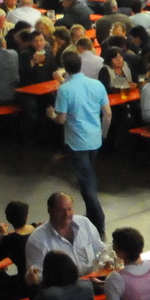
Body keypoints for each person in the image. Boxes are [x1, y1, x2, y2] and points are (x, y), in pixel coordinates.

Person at [48, 50, 111, 234]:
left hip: (77, 140)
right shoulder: (96, 84)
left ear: (65, 68)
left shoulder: (65, 90)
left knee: (86, 181)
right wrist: (103, 134)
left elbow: (61, 119)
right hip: (95, 137)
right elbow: (107, 113)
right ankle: (92, 216)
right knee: (89, 174)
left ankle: (98, 220)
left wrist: (51, 115)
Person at [26, 192, 104, 276]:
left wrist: (105, 262)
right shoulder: (37, 240)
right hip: (62, 287)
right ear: (50, 211)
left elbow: (99, 249)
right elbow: (38, 276)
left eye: (69, 209)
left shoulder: (84, 223)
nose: (66, 214)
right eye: (60, 210)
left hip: (93, 279)